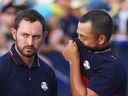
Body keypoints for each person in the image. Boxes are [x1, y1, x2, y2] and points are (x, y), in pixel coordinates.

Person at [63, 9, 127, 96]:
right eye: (78, 34)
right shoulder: (80, 44)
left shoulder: (112, 67)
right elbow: (67, 51)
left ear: (101, 39)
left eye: (83, 37)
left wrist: (73, 62)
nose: (78, 39)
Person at [0, 9, 57, 96]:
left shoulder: (48, 73)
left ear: (44, 36)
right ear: (14, 33)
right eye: (25, 35)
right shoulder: (2, 69)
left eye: (36, 36)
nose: (30, 42)